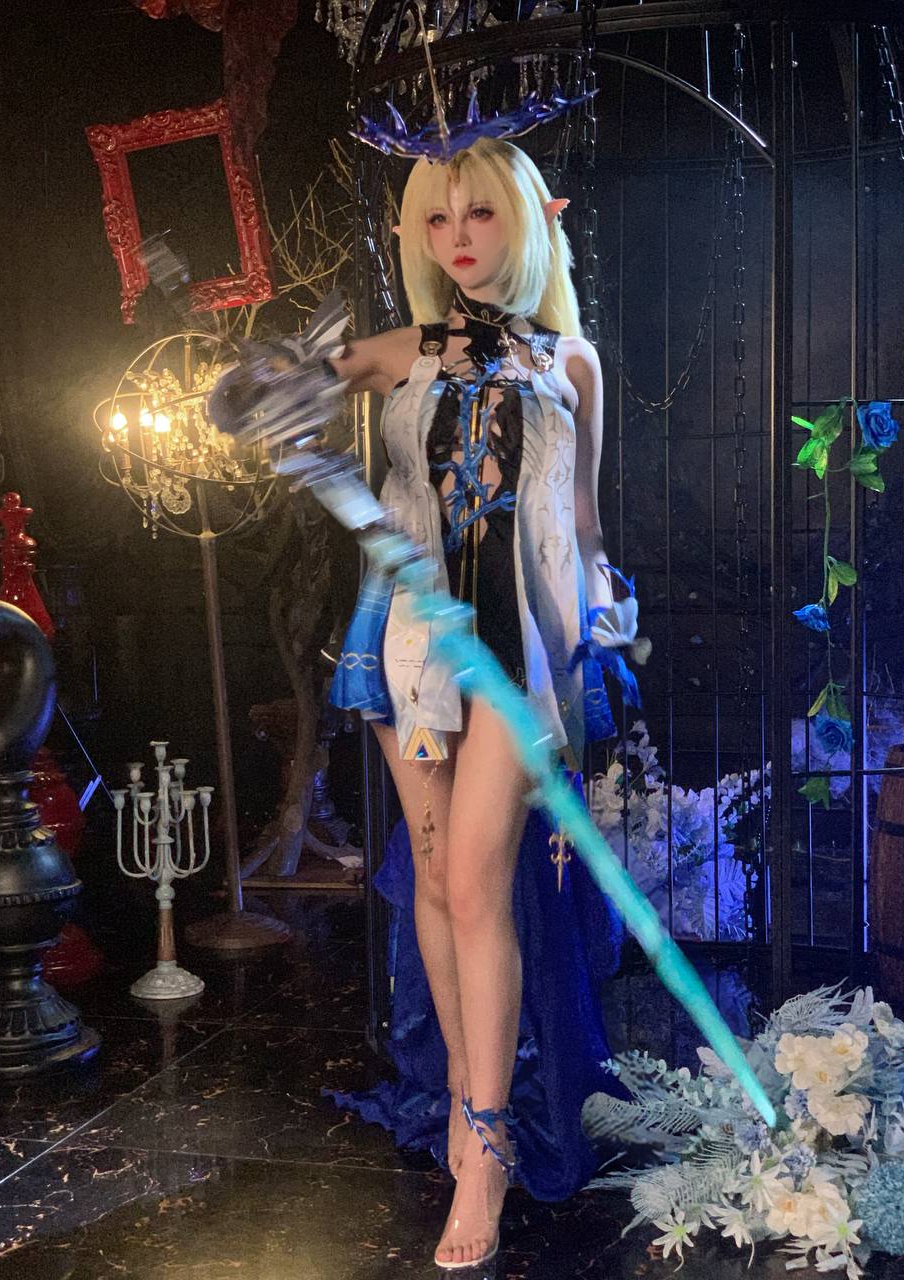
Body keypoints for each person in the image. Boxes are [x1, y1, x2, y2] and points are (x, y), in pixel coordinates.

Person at [322, 137, 634, 1270]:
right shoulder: (399, 352)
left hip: (522, 647)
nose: (457, 238)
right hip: (412, 639)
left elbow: (582, 521)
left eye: (482, 214)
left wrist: (605, 608)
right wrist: (267, 390)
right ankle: (466, 1092)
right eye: (437, 219)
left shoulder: (572, 362)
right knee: (435, 871)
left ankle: (489, 1147)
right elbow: (279, 391)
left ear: (531, 219)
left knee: (473, 878)